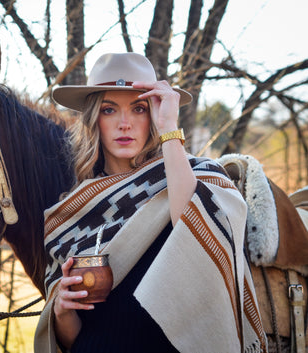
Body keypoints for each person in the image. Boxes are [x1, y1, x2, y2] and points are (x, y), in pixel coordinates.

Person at [34, 53, 267, 352]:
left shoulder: (195, 179)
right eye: (109, 110)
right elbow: (75, 340)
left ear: (153, 116)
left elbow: (192, 227)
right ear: (94, 119)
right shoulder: (75, 211)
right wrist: (62, 311)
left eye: (139, 109)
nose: (124, 123)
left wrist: (170, 127)